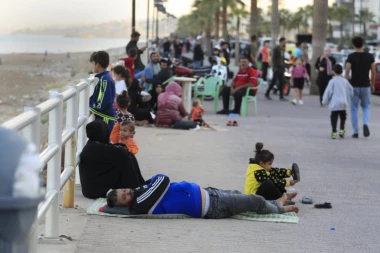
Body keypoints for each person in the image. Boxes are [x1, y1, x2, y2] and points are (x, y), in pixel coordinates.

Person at [106, 174, 299, 218]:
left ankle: (276, 201)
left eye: (124, 190)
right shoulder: (140, 202)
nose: (127, 192)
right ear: (125, 205)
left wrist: (147, 185)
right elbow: (163, 179)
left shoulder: (140, 193)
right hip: (211, 206)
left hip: (209, 194)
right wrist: (149, 182)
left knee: (244, 197)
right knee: (253, 200)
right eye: (124, 196)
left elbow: (157, 184)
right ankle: (281, 209)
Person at [79, 120, 145, 199]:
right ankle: (136, 188)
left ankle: (137, 186)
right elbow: (119, 153)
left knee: (126, 155)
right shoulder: (97, 148)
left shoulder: (92, 145)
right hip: (95, 191)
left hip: (90, 189)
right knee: (126, 158)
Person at [345, 36, 376, 138]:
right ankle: (365, 123)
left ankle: (355, 131)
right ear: (363, 44)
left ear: (353, 45)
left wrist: (346, 84)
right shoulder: (370, 56)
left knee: (353, 108)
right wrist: (372, 84)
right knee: (366, 107)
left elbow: (347, 71)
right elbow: (373, 71)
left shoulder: (351, 56)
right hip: (366, 85)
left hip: (354, 85)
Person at [322, 64, 354, 139]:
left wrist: (324, 101)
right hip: (343, 103)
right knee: (343, 117)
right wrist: (350, 96)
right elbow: (351, 90)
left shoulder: (332, 81)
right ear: (342, 71)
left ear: (334, 72)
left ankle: (334, 132)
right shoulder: (345, 81)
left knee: (334, 117)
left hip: (335, 103)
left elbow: (328, 92)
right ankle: (342, 131)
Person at [89, 51, 115, 132]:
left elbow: (101, 104)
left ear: (97, 65)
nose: (93, 66)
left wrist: (89, 107)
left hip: (105, 118)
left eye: (93, 64)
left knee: (103, 141)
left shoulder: (104, 80)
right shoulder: (105, 77)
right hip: (105, 116)